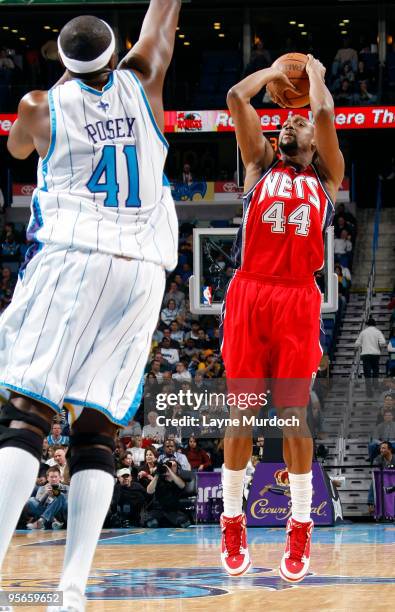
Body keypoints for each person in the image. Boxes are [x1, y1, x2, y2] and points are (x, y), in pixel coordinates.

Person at [0, 3, 181, 611]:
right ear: (118, 50)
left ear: (61, 58)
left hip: (76, 258)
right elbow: (162, 23)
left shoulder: (39, 106)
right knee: (97, 430)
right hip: (141, 271)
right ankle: (71, 589)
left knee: (29, 415)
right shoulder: (146, 78)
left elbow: (21, 151)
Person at [222, 55, 344, 581]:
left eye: (297, 122)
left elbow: (322, 113)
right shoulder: (257, 165)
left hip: (297, 298)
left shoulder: (327, 176)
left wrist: (313, 72)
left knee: (295, 418)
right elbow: (235, 99)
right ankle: (232, 521)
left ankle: (299, 528)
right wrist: (274, 72)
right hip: (250, 293)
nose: (289, 123)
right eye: (285, 122)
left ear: (313, 141)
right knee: (241, 416)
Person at [26, 466, 69, 530]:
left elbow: (67, 503)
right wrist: (46, 494)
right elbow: (38, 505)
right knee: (31, 501)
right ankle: (54, 521)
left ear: (60, 478)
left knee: (61, 496)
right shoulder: (42, 488)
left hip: (62, 514)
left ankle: (41, 521)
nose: (54, 479)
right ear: (47, 478)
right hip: (47, 513)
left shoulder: (67, 488)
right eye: (51, 477)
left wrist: (57, 494)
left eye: (56, 477)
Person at [355, 317, 387, 397]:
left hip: (365, 355)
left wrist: (359, 347)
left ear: (367, 324)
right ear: (374, 324)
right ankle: (375, 385)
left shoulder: (363, 332)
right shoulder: (378, 332)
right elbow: (383, 343)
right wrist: (380, 346)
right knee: (375, 371)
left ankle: (369, 391)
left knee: (367, 373)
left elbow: (356, 344)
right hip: (375, 355)